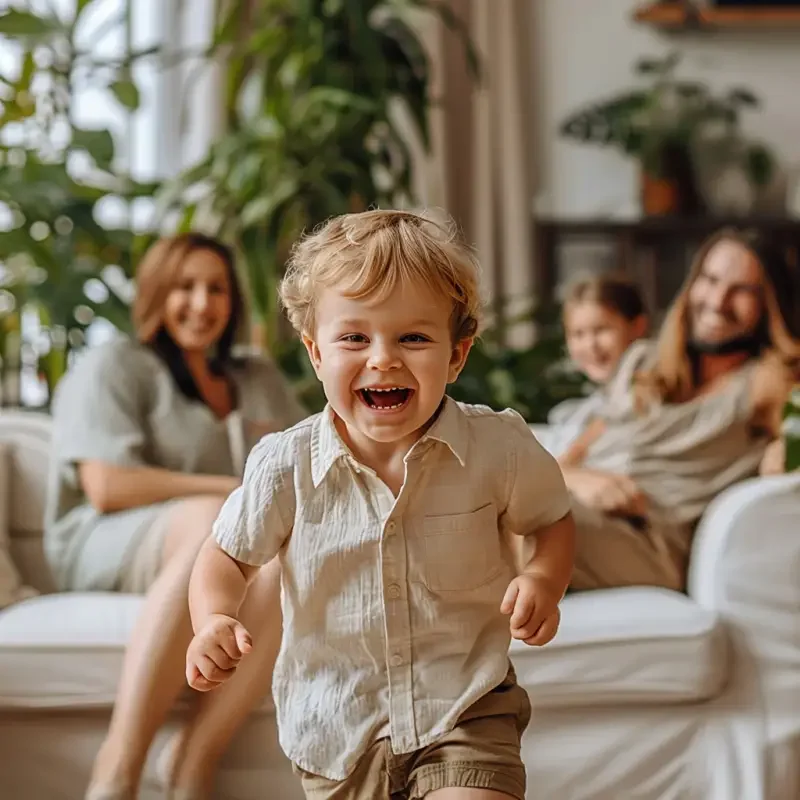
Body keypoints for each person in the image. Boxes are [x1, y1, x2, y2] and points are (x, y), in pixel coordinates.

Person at [185, 210, 576, 800]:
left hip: (466, 710)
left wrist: (543, 577)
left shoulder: (497, 448)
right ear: (316, 354)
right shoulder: (285, 467)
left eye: (413, 337)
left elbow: (552, 521)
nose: (383, 359)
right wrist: (213, 619)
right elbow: (225, 557)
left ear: (457, 354)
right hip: (337, 731)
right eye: (354, 337)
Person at [44, 233, 307, 799]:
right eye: (184, 286)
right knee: (220, 517)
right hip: (104, 541)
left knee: (286, 555)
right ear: (157, 293)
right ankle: (118, 768)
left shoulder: (256, 377)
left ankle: (193, 759)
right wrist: (235, 489)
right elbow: (107, 486)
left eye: (216, 288)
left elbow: (304, 460)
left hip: (221, 539)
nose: (201, 302)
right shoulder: (114, 364)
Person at [559, 228, 800, 592]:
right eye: (711, 279)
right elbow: (569, 458)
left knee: (505, 520)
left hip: (646, 541)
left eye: (743, 290)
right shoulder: (643, 361)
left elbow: (787, 456)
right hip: (574, 507)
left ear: (770, 304)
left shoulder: (767, 383)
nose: (718, 301)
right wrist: (583, 480)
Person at [545, 274, 649, 455]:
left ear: (637, 326)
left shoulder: (650, 380)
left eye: (601, 329)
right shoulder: (591, 404)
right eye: (578, 334)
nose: (590, 345)